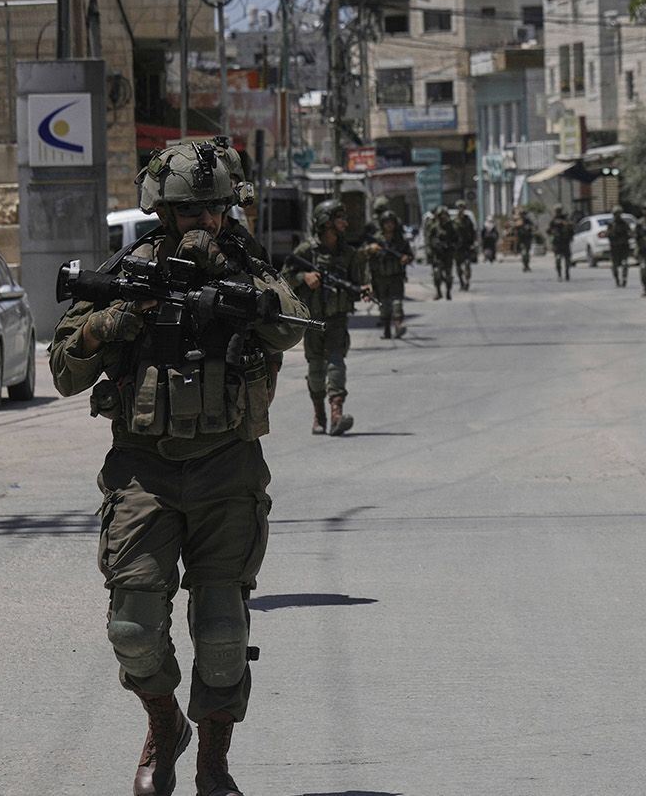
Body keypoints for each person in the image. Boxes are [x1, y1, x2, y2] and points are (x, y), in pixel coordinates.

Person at [50, 140, 307, 796]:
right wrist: (119, 320)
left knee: (222, 629)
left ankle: (213, 762)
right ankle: (165, 725)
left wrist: (231, 281)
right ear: (159, 211)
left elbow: (293, 324)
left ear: (230, 208)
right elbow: (63, 370)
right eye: (187, 210)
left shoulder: (247, 265)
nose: (201, 221)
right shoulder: (131, 269)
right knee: (133, 626)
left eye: (214, 209)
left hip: (228, 468)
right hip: (143, 471)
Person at [285, 200, 372, 435]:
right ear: (326, 222)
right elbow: (283, 279)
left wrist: (364, 288)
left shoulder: (349, 253)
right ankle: (319, 413)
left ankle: (336, 413)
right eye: (339, 218)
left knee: (336, 364)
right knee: (315, 370)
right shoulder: (305, 252)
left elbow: (360, 280)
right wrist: (304, 277)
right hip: (313, 321)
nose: (345, 222)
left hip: (337, 319)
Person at [368, 213, 413, 339]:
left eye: (391, 222)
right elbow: (367, 256)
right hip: (380, 277)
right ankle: (387, 330)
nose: (389, 225)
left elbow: (409, 255)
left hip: (396, 276)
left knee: (397, 302)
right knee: (384, 304)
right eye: (386, 222)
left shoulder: (400, 240)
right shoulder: (376, 240)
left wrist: (406, 258)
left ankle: (398, 325)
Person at [423, 206, 455, 300]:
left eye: (444, 215)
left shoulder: (451, 226)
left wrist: (451, 246)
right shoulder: (434, 227)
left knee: (448, 275)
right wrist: (430, 249)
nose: (443, 217)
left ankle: (448, 292)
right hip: (437, 255)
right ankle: (438, 292)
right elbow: (429, 239)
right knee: (437, 274)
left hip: (448, 254)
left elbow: (456, 239)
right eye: (441, 215)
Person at [452, 201, 478, 291]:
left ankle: (467, 281)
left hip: (467, 246)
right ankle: (461, 282)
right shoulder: (454, 221)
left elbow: (473, 232)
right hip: (457, 247)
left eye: (462, 207)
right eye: (459, 207)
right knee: (458, 267)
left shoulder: (468, 220)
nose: (460, 209)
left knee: (467, 264)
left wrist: (474, 243)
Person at [606, 207, 634, 288]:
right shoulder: (611, 224)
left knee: (625, 264)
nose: (618, 216)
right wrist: (610, 233)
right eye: (616, 214)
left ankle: (624, 278)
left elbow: (630, 233)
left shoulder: (625, 224)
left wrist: (629, 235)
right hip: (614, 247)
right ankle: (617, 279)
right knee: (614, 266)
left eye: (619, 214)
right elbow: (607, 235)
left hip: (623, 246)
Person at [548, 208, 574, 281]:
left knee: (566, 260)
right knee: (558, 259)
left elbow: (572, 229)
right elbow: (548, 231)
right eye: (557, 211)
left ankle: (566, 273)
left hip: (565, 242)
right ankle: (560, 274)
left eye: (559, 211)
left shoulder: (566, 220)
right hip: (558, 243)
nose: (558, 213)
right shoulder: (553, 221)